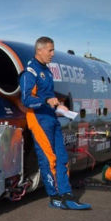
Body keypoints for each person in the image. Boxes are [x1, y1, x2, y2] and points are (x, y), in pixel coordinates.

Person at [20, 36, 91, 210]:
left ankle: (66, 194)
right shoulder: (30, 72)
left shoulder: (47, 71)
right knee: (48, 159)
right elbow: (26, 99)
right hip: (39, 120)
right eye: (50, 50)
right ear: (40, 50)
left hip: (52, 118)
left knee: (62, 157)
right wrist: (46, 102)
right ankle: (55, 197)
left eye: (53, 50)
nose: (53, 54)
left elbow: (47, 95)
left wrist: (59, 105)